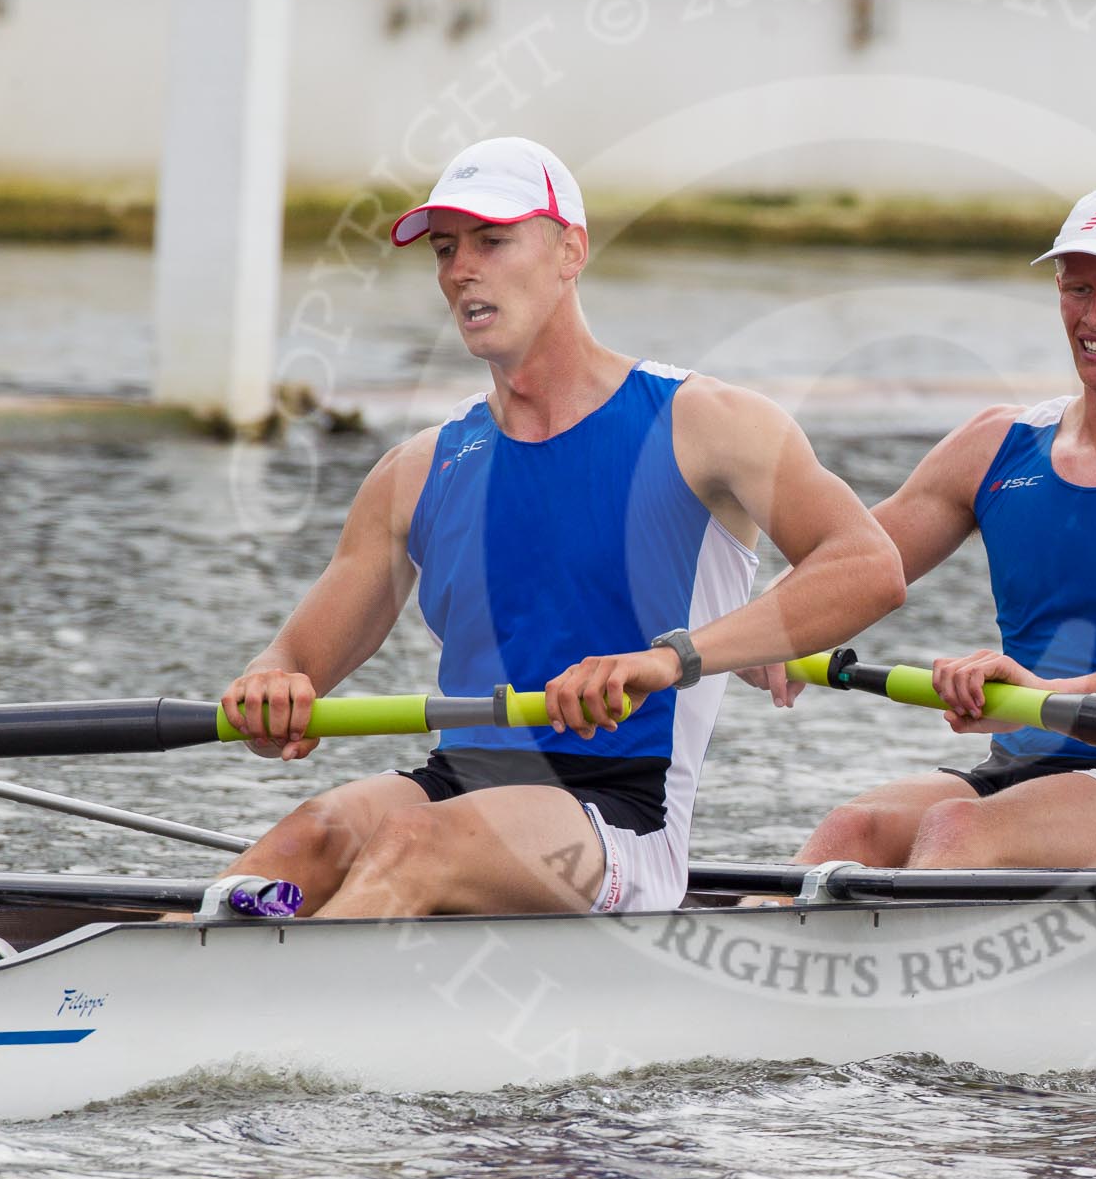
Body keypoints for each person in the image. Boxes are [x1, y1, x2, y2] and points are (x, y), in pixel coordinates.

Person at [211, 136, 905, 918]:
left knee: (412, 844)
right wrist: (272, 683)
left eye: (492, 241)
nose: (460, 269)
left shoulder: (705, 423)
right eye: (445, 249)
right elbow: (301, 657)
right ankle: (148, 998)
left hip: (622, 814)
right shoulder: (418, 469)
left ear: (569, 249)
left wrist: (670, 660)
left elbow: (868, 565)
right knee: (307, 838)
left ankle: (274, 1021)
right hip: (459, 785)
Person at [747, 181, 1096, 873]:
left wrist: (1048, 697)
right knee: (850, 832)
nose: (1095, 317)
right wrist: (769, 627)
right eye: (1077, 289)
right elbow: (855, 563)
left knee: (957, 833)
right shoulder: (997, 444)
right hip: (1020, 774)